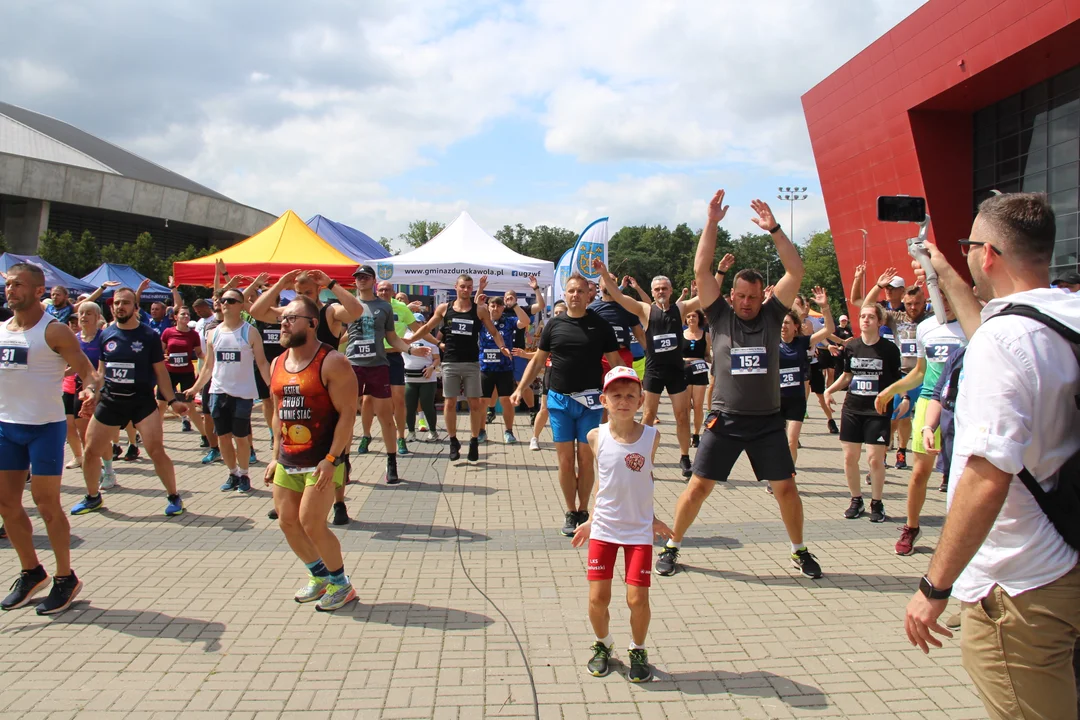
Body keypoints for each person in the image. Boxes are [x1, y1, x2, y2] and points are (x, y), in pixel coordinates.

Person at [902, 191, 1080, 720]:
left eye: (969, 246)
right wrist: (943, 272)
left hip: (1019, 584)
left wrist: (935, 586)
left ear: (991, 254)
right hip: (1068, 553)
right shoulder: (1062, 318)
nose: (967, 255)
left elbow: (986, 477)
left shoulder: (1003, 342)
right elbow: (1004, 337)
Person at [656, 191, 823, 580]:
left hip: (767, 422)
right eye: (741, 296)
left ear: (762, 295)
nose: (747, 303)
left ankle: (800, 550)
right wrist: (711, 223)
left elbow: (795, 271)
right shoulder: (720, 316)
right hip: (726, 419)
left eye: (753, 297)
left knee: (786, 490)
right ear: (731, 295)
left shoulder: (772, 314)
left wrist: (776, 230)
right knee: (698, 487)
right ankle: (672, 546)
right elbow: (701, 270)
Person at [0, 264, 101, 615]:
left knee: (46, 504)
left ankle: (64, 578)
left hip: (44, 427)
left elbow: (88, 371)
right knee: (7, 505)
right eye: (8, 284)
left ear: (39, 289)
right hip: (6, 427)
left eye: (19, 285)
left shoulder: (54, 331)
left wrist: (89, 390)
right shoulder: (1, 330)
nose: (11, 290)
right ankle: (31, 572)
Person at [571, 366, 673, 683]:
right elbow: (605, 482)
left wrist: (653, 517)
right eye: (616, 395)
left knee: (636, 599)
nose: (624, 401)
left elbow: (645, 479)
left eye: (631, 395)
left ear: (641, 400)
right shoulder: (595, 436)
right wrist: (589, 520)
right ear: (604, 399)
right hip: (604, 528)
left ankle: (638, 649)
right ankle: (603, 645)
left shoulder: (651, 437)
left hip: (639, 530)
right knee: (597, 599)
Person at [265, 295, 360, 611]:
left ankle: (341, 585)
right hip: (288, 458)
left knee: (311, 522)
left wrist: (333, 459)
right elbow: (278, 412)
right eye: (283, 318)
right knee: (287, 521)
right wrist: (274, 454)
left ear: (312, 323)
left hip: (323, 458)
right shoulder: (278, 363)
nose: (284, 322)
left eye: (292, 318)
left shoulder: (332, 361)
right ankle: (319, 576)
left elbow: (348, 413)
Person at [511, 274, 622, 536]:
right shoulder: (554, 325)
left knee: (585, 460)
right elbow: (538, 361)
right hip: (559, 400)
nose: (575, 295)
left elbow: (616, 362)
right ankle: (570, 511)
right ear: (566, 294)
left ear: (588, 295)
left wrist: (630, 389)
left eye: (580, 291)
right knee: (564, 461)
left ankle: (584, 509)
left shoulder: (601, 325)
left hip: (591, 402)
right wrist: (520, 388)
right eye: (571, 291)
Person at [873, 268, 969, 556]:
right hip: (929, 401)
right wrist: (891, 389)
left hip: (962, 405)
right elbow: (920, 371)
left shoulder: (971, 326)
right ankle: (911, 526)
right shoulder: (927, 328)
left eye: (949, 297)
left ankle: (962, 533)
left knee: (960, 475)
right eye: (940, 299)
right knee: (918, 474)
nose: (946, 303)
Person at [71, 287, 188, 517]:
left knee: (156, 451)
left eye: (125, 303)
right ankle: (93, 497)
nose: (120, 307)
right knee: (91, 450)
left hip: (142, 402)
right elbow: (101, 371)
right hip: (112, 400)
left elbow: (161, 372)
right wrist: (92, 391)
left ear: (136, 308)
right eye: (116, 303)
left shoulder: (148, 335)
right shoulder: (106, 334)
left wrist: (172, 400)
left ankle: (174, 497)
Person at [596, 269, 701, 479]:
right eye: (657, 289)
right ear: (652, 292)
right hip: (654, 371)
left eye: (664, 288)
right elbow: (618, 296)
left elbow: (705, 296)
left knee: (682, 416)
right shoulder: (645, 310)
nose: (661, 291)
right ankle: (643, 459)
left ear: (670, 290)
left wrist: (719, 273)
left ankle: (684, 456)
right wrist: (604, 275)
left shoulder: (680, 309)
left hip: (675, 371)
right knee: (648, 416)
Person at [412, 275, 509, 462]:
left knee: (475, 404)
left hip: (472, 363)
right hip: (450, 362)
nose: (465, 290)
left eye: (469, 287)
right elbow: (427, 329)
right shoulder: (444, 308)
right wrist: (410, 339)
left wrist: (502, 346)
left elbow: (494, 331)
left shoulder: (479, 310)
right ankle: (453, 440)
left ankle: (473, 440)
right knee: (450, 403)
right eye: (462, 286)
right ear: (455, 287)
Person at [346, 265, 429, 484]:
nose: (361, 280)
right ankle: (343, 463)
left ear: (373, 280)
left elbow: (392, 337)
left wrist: (410, 349)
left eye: (365, 277)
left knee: (385, 414)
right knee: (346, 415)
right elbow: (341, 333)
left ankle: (391, 462)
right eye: (358, 277)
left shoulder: (384, 307)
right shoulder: (349, 305)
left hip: (378, 365)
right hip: (354, 365)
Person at [187, 288, 272, 494]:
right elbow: (208, 366)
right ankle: (232, 473)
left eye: (231, 300)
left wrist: (273, 387)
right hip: (218, 391)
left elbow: (261, 363)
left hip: (243, 394)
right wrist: (195, 388)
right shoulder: (213, 333)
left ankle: (244, 474)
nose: (225, 303)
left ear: (241, 305)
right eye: (223, 300)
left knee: (241, 438)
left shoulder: (250, 332)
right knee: (223, 437)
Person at [824, 303, 902, 523]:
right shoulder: (852, 347)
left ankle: (877, 502)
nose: (865, 320)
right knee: (850, 457)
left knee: (875, 460)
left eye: (870, 317)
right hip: (852, 409)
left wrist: (903, 398)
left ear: (879, 322)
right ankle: (855, 500)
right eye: (862, 316)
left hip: (877, 411)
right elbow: (847, 376)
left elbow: (898, 380)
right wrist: (829, 390)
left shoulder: (889, 350)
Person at [360, 281, 437, 457]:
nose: (384, 292)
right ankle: (366, 435)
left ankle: (401, 437)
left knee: (399, 400)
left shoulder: (401, 308)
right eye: (381, 289)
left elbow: (419, 329)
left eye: (387, 290)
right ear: (376, 291)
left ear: (393, 292)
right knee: (367, 400)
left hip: (394, 357)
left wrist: (438, 343)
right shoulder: (368, 306)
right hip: (373, 358)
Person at [862, 273, 930, 470]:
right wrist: (877, 285)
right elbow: (866, 306)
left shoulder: (931, 317)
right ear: (903, 301)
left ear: (924, 302)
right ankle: (882, 456)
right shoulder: (896, 318)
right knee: (894, 417)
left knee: (912, 418)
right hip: (903, 375)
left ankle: (902, 451)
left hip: (926, 374)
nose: (913, 308)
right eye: (909, 303)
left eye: (917, 303)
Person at [779, 288, 835, 467]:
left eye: (788, 323)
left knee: (791, 441)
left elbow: (829, 329)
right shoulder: (771, 341)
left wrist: (825, 307)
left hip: (796, 400)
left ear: (796, 326)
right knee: (776, 444)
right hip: (775, 400)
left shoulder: (802, 342)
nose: (783, 326)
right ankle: (777, 477)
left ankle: (789, 475)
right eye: (781, 323)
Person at [479, 295, 529, 444]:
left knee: (506, 401)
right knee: (483, 402)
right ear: (488, 307)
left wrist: (514, 306)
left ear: (502, 308)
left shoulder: (508, 321)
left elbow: (526, 321)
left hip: (504, 368)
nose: (495, 309)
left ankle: (509, 431)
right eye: (492, 306)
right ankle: (481, 431)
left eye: (498, 306)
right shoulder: (482, 321)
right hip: (485, 367)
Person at [62, 304, 104, 472]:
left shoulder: (103, 338)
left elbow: (102, 368)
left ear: (97, 317)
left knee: (92, 430)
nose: (84, 316)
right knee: (73, 426)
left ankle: (101, 465)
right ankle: (81, 457)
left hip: (98, 388)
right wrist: (61, 373)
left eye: (89, 313)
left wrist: (97, 389)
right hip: (77, 386)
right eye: (81, 313)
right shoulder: (74, 339)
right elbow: (76, 365)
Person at [159, 306, 204, 434]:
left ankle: (205, 436)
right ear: (175, 317)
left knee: (190, 406)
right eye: (183, 314)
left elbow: (199, 353)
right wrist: (163, 356)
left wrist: (209, 359)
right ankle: (156, 435)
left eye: (188, 315)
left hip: (186, 373)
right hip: (169, 372)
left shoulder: (193, 334)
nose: (186, 316)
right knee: (161, 405)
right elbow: (159, 351)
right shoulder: (168, 332)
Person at [402, 328, 440, 443]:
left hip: (427, 380)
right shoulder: (405, 335)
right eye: (414, 323)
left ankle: (433, 432)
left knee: (427, 405)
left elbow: (437, 358)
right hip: (409, 378)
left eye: (419, 323)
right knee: (410, 406)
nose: (416, 326)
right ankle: (411, 433)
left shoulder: (430, 338)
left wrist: (432, 368)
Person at [681, 309, 711, 448]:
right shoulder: (681, 334)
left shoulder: (705, 335)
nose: (691, 318)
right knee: (686, 406)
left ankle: (696, 434)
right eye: (688, 316)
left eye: (694, 316)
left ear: (699, 318)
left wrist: (713, 363)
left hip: (699, 371)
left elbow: (707, 354)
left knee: (698, 405)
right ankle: (685, 433)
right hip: (685, 370)